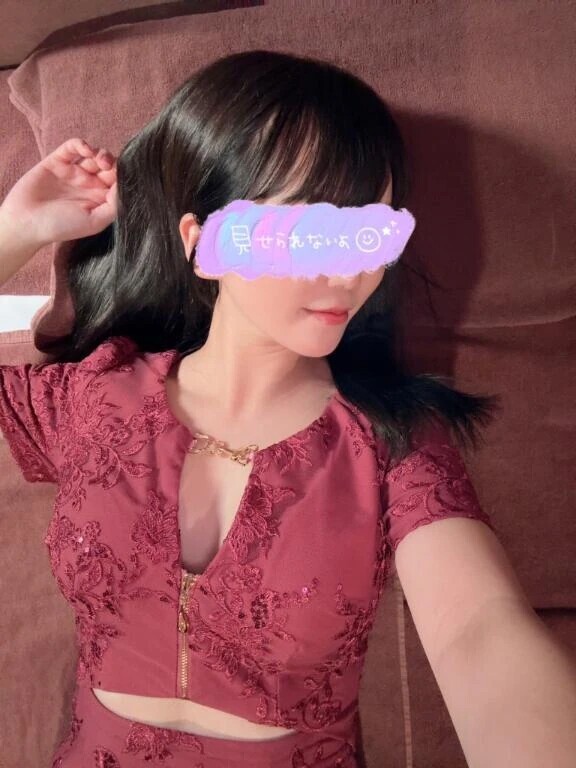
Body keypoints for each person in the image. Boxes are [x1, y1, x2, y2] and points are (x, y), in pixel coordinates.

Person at [1, 49, 575, 768]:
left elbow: (478, 631)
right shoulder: (94, 396)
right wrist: (15, 231)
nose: (348, 269)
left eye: (369, 232)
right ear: (203, 245)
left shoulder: (393, 442)